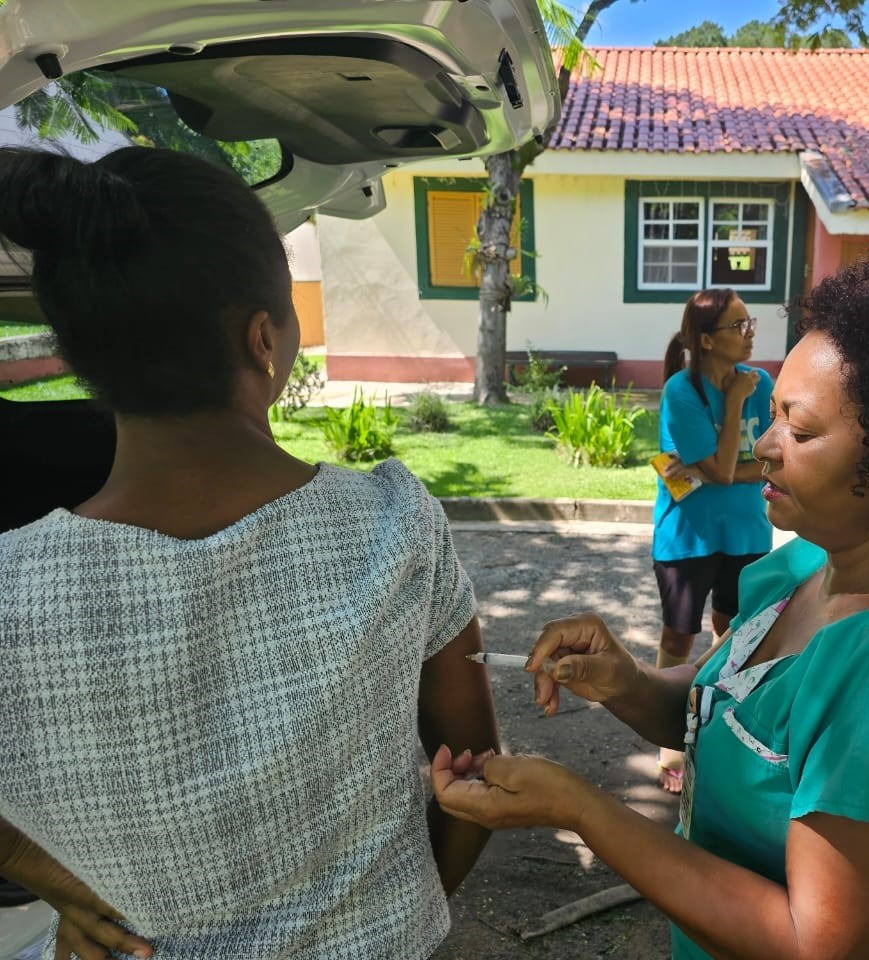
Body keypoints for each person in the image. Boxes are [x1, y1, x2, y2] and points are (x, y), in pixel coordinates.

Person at [431, 260, 869, 960]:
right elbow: (729, 712)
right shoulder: (808, 566)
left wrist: (579, 808)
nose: (764, 446)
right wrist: (625, 681)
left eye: (800, 431)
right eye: (772, 414)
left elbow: (812, 943)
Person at [0, 146, 500, 958]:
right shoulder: (393, 525)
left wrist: (42, 872)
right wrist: (397, 919)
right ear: (264, 338)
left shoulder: (12, 589)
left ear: (81, 354)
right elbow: (476, 777)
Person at [650, 288, 773, 792]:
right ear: (705, 339)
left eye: (749, 322)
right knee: (679, 636)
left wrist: (718, 470)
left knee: (735, 631)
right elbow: (725, 470)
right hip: (688, 536)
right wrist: (736, 402)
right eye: (737, 325)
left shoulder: (762, 383)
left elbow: (770, 460)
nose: (749, 333)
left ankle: (718, 723)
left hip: (747, 530)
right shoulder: (682, 391)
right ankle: (669, 740)